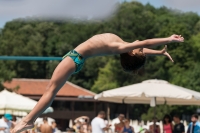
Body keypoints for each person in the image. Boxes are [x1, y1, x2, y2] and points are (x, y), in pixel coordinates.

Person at [12, 33, 184, 133]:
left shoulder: (120, 47)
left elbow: (144, 43)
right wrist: (160, 52)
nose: (138, 46)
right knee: (52, 90)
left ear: (131, 53)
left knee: (50, 91)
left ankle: (28, 120)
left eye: (137, 49)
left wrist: (168, 39)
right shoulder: (124, 46)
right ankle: (29, 119)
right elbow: (143, 48)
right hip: (75, 58)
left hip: (75, 58)